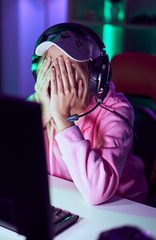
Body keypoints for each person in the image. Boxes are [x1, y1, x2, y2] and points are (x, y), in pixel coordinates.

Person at [28, 22, 148, 205]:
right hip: (66, 200)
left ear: (94, 77)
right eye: (50, 64)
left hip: (120, 206)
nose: (54, 75)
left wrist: (62, 120)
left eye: (65, 68)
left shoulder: (116, 111)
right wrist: (44, 113)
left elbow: (97, 192)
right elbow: (6, 161)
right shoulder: (40, 100)